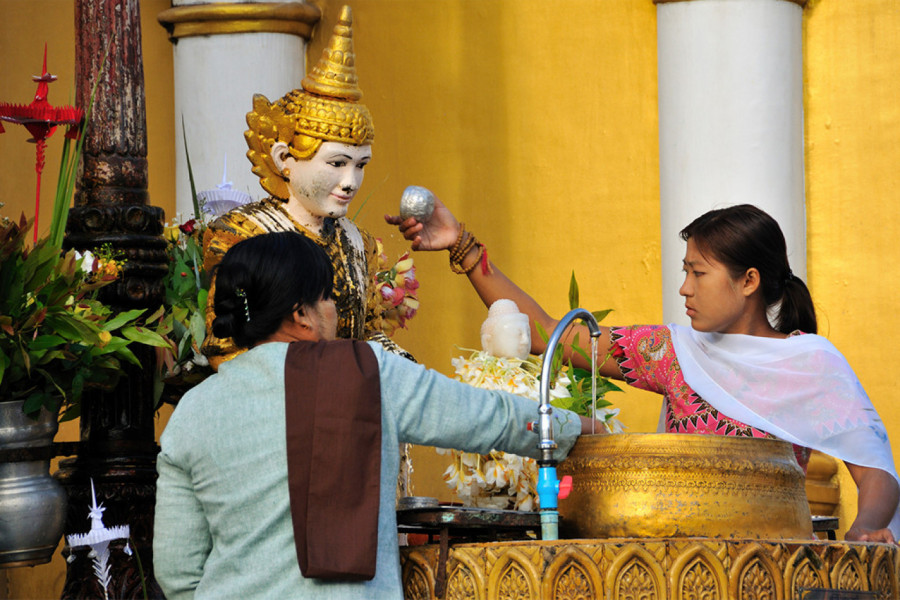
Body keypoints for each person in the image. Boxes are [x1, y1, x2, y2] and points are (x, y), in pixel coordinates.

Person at [387, 200, 900, 543]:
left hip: (769, 570)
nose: (685, 288)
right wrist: (462, 246)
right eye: (685, 272)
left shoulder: (812, 363)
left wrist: (867, 529)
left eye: (698, 273)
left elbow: (875, 472)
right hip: (672, 570)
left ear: (748, 281)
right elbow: (550, 333)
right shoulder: (672, 351)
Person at [153, 232, 595, 599]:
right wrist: (579, 427)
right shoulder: (365, 371)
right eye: (327, 298)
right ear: (301, 315)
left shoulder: (193, 410)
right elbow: (486, 417)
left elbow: (176, 572)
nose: (334, 311)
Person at [201, 5, 411, 370]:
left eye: (361, 166)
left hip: (349, 397)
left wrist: (399, 366)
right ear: (285, 158)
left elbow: (369, 333)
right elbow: (227, 346)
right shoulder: (242, 236)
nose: (350, 182)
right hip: (270, 396)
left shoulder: (359, 243)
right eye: (336, 163)